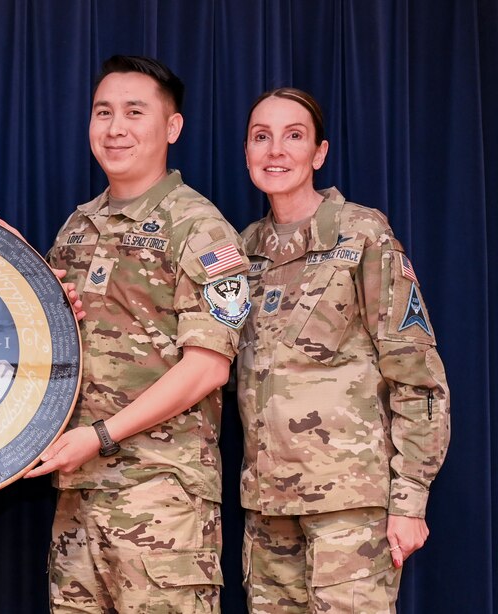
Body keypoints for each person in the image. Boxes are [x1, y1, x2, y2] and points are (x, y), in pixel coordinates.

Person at [26, 55, 251, 612]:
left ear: (171, 127)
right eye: (103, 112)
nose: (115, 127)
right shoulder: (78, 227)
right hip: (79, 501)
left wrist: (100, 435)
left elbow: (208, 366)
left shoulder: (201, 228)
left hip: (162, 502)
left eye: (134, 111)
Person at [236, 87, 450, 613]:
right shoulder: (241, 252)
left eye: (294, 136)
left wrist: (410, 500)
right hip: (267, 511)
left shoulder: (362, 234)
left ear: (320, 153)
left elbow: (417, 373)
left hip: (350, 508)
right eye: (261, 137)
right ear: (247, 152)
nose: (276, 151)